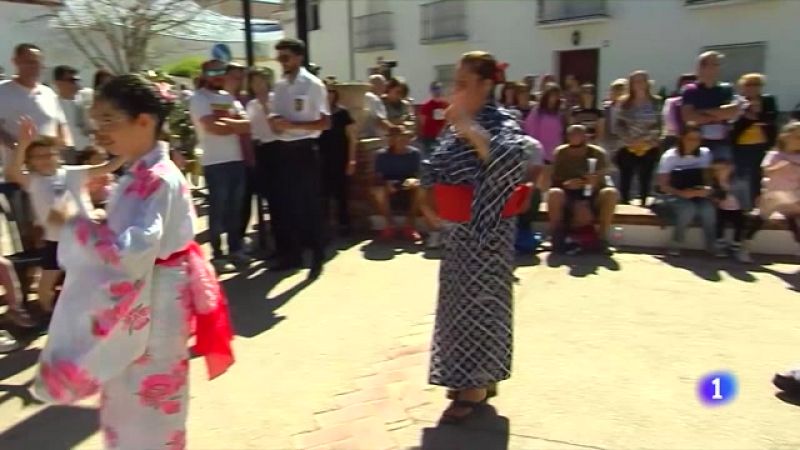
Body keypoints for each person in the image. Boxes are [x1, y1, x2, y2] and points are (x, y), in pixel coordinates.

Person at [31, 74, 234, 450]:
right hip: (147, 294)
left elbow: (134, 248)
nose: (100, 131)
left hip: (155, 298)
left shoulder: (156, 177)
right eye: (96, 122)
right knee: (128, 398)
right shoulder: (141, 172)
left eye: (109, 120)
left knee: (149, 406)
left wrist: (76, 227)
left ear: (144, 121)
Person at [423, 51, 528, 424]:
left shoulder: (502, 120)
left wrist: (469, 128)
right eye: (457, 83)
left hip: (487, 229)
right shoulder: (454, 124)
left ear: (486, 85)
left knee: (481, 305)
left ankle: (475, 386)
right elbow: (433, 163)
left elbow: (513, 161)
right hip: (456, 231)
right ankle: (471, 378)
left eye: (465, 83)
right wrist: (426, 198)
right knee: (456, 308)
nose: (457, 90)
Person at [6, 122, 124, 314]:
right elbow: (13, 171)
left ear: (57, 155)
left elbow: (108, 167)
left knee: (93, 278)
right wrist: (24, 143)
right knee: (44, 287)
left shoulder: (72, 172)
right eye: (38, 156)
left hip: (84, 237)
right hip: (56, 241)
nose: (45, 159)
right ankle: (49, 315)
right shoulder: (33, 180)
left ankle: (99, 312)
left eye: (49, 154)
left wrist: (128, 150)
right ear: (31, 160)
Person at [268, 38, 330, 279]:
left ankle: (317, 256)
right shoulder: (281, 86)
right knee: (287, 205)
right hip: (283, 149)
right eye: (279, 58)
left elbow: (325, 121)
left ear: (298, 57)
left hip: (305, 149)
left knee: (310, 205)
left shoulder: (313, 85)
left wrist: (293, 124)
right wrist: (275, 122)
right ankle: (291, 256)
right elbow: (275, 115)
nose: (282, 63)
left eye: (286, 57)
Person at [189, 59, 251, 272]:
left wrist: (228, 124)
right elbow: (212, 127)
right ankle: (217, 255)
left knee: (235, 210)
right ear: (204, 74)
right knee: (218, 211)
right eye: (213, 71)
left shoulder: (228, 97)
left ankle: (236, 250)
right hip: (215, 162)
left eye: (221, 71)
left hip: (236, 160)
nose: (218, 75)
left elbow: (248, 125)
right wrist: (233, 123)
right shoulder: (199, 99)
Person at [547, 124, 618, 254]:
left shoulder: (598, 153)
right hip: (568, 194)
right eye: (572, 135)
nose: (575, 138)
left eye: (579, 135)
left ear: (586, 137)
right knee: (554, 193)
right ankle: (556, 238)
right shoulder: (560, 153)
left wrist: (593, 182)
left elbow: (604, 180)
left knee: (610, 193)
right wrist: (567, 184)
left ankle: (603, 239)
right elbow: (554, 180)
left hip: (592, 194)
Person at [0, 44, 69, 165]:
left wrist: (63, 147)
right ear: (15, 62)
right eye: (29, 62)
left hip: (51, 167)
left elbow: (60, 125)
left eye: (37, 63)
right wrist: (15, 145)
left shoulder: (48, 93)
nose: (34, 67)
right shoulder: (3, 91)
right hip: (18, 167)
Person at [655, 123, 716, 256]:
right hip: (672, 194)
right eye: (690, 139)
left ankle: (711, 244)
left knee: (708, 209)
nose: (694, 143)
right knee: (688, 209)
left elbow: (708, 179)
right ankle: (677, 242)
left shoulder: (705, 154)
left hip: (696, 193)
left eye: (697, 139)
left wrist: (706, 190)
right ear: (682, 138)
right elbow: (662, 185)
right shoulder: (670, 156)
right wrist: (681, 193)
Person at [681, 51, 741, 186]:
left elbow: (732, 112)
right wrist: (718, 113)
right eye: (713, 64)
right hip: (696, 140)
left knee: (722, 176)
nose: (717, 67)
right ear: (701, 67)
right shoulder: (690, 90)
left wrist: (702, 112)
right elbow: (689, 117)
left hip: (721, 141)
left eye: (717, 64)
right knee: (698, 176)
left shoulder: (727, 89)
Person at [372, 126, 436, 241]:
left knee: (421, 187)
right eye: (399, 138)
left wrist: (414, 180)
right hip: (389, 184)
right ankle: (389, 225)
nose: (403, 141)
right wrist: (386, 184)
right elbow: (377, 177)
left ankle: (409, 225)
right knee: (378, 191)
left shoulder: (414, 153)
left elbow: (421, 173)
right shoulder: (381, 155)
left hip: (407, 183)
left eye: (405, 138)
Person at [614, 70, 663, 206]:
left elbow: (659, 124)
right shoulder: (624, 102)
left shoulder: (656, 102)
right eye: (636, 81)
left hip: (649, 144)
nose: (639, 84)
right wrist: (630, 140)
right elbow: (619, 125)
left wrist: (647, 139)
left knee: (645, 177)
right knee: (626, 177)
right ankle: (624, 203)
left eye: (642, 81)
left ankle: (643, 202)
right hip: (628, 145)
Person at [731, 73, 778, 205]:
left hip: (763, 144)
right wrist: (748, 114)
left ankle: (758, 208)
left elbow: (770, 118)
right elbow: (735, 124)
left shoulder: (768, 100)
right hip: (742, 145)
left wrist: (753, 114)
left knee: (760, 177)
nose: (752, 88)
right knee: (743, 177)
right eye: (748, 85)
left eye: (756, 84)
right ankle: (744, 207)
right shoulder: (737, 102)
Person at [225, 63, 258, 244]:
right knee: (229, 203)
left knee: (244, 202)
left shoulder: (246, 101)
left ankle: (240, 239)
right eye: (234, 77)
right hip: (228, 158)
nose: (238, 81)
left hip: (249, 158)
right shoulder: (220, 99)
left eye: (240, 77)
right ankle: (232, 242)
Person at [245, 68, 278, 253]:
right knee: (263, 195)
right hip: (260, 149)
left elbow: (276, 126)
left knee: (277, 197)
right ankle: (265, 240)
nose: (257, 85)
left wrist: (266, 104)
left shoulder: (275, 100)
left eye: (260, 81)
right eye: (253, 82)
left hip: (276, 147)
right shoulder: (251, 105)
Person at [319, 80, 357, 236]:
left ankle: (344, 225)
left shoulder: (342, 113)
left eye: (330, 91)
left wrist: (352, 160)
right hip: (320, 160)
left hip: (340, 159)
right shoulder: (316, 113)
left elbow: (352, 137)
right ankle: (324, 227)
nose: (328, 95)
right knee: (322, 195)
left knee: (342, 194)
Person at [754, 121, 800, 244]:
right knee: (759, 220)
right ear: (785, 137)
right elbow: (765, 171)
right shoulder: (775, 155)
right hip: (774, 195)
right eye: (797, 137)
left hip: (793, 196)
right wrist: (780, 167)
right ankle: (743, 245)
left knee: (795, 223)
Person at [53, 65, 92, 163]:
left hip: (89, 152)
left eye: (77, 80)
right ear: (58, 83)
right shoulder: (51, 105)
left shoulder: (86, 100)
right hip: (67, 154)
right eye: (71, 80)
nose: (76, 84)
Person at [523, 82, 565, 165]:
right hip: (539, 155)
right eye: (552, 95)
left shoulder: (559, 114)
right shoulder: (537, 112)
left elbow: (561, 134)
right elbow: (530, 132)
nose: (554, 98)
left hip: (555, 155)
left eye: (556, 95)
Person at [661, 74, 698, 151]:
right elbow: (669, 122)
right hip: (676, 136)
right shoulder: (672, 102)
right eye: (685, 85)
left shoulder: (700, 102)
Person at [597, 78, 628, 163]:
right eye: (615, 90)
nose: (618, 93)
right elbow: (601, 125)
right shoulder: (605, 108)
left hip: (624, 140)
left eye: (621, 90)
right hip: (608, 140)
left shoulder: (629, 107)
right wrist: (600, 141)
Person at [417, 81, 449, 156]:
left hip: (444, 136)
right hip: (429, 137)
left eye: (439, 88)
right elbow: (422, 121)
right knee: (429, 158)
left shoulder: (446, 105)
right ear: (431, 91)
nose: (437, 91)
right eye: (435, 89)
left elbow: (449, 120)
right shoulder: (426, 106)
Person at [362, 74, 394, 138]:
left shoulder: (365, 96)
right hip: (374, 137)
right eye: (383, 84)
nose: (385, 88)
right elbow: (380, 120)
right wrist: (395, 129)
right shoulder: (373, 98)